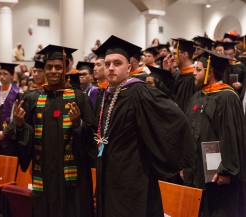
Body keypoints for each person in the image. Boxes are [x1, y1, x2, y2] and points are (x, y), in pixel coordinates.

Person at [92, 35, 193, 217]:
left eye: (117, 63)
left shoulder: (139, 92)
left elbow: (177, 119)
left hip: (133, 177)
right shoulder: (106, 94)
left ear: (129, 67)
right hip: (108, 176)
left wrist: (154, 153)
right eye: (107, 64)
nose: (111, 68)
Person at [11, 44, 96, 217]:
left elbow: (92, 135)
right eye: (49, 67)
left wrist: (78, 124)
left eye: (58, 67)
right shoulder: (33, 98)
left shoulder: (79, 97)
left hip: (73, 175)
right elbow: (27, 133)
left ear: (66, 69)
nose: (53, 71)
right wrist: (20, 124)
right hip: (45, 171)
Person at [186, 49, 246, 217]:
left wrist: (226, 170)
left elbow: (230, 136)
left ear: (209, 72)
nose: (194, 73)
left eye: (198, 69)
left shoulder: (227, 97)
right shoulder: (197, 97)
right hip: (197, 172)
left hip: (218, 176)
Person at [0, 62, 22, 156]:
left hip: (11, 138)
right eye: (0, 74)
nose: (2, 76)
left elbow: (18, 117)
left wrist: (5, 133)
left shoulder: (18, 93)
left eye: (5, 74)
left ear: (12, 76)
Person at [164, 38, 198, 113]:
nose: (172, 58)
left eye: (175, 54)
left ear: (185, 54)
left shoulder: (193, 77)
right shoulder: (178, 74)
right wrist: (167, 71)